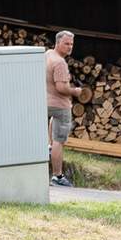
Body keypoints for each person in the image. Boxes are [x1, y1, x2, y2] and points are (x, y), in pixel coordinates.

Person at [45, 31, 78, 187]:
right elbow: (61, 88)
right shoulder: (60, 63)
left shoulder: (47, 54)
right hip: (60, 105)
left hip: (46, 102)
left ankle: (49, 147)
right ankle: (57, 176)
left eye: (71, 44)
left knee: (54, 120)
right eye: (66, 43)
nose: (69, 47)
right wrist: (75, 91)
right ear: (57, 43)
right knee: (59, 140)